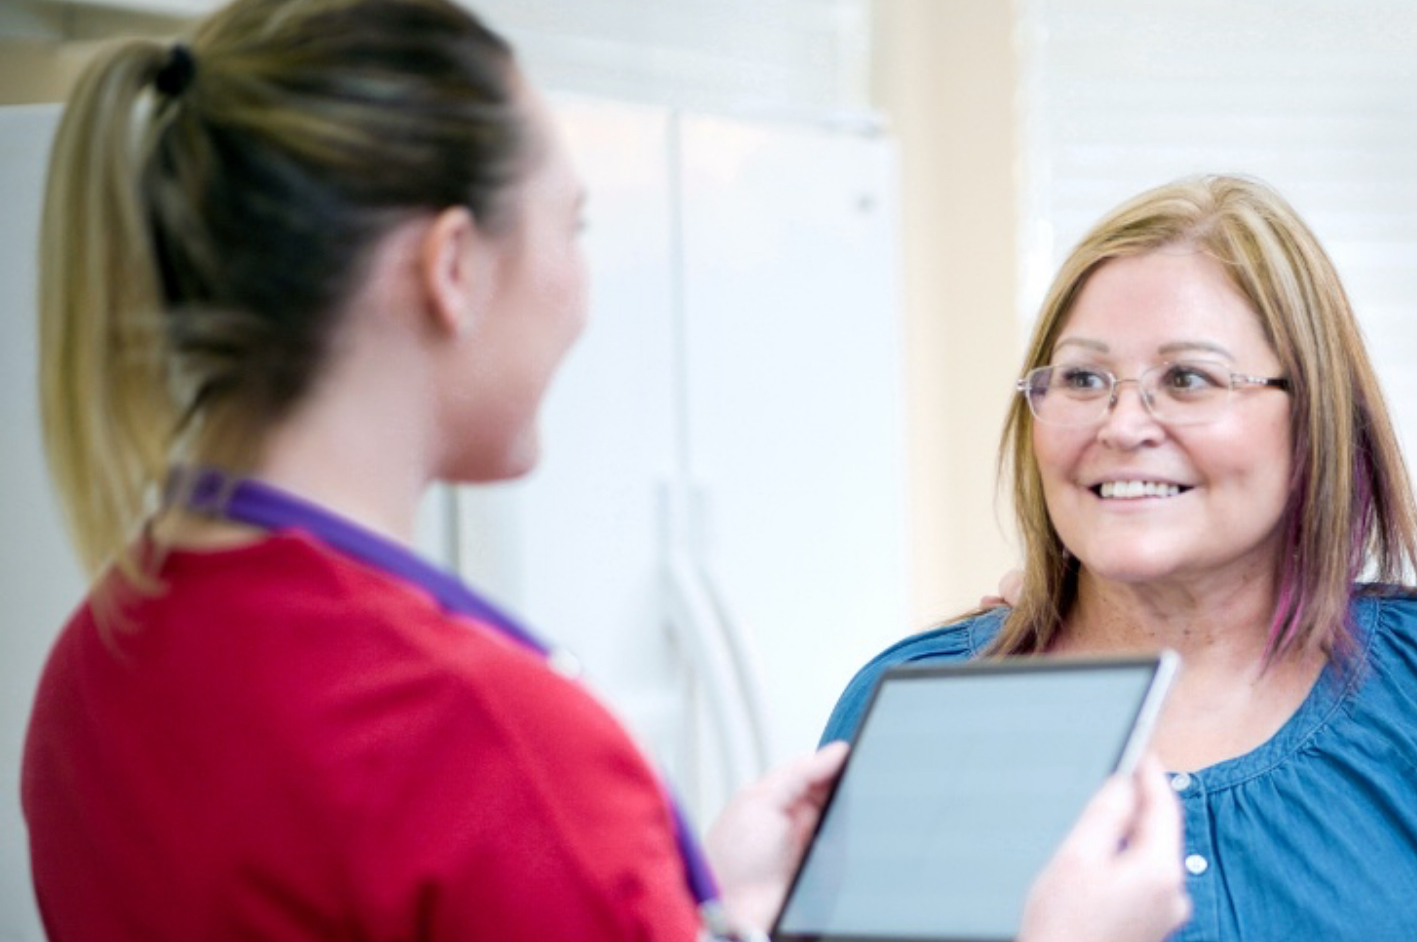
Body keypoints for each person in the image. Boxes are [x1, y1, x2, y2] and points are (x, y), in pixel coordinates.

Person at [20, 1, 1190, 939]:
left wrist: (695, 910)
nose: (584, 289)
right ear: (451, 267)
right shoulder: (489, 739)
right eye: (574, 226)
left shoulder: (96, 665)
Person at [821, 174, 1417, 941]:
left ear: (1315, 419)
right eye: (1084, 377)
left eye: (1189, 378)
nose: (1123, 424)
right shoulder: (919, 715)